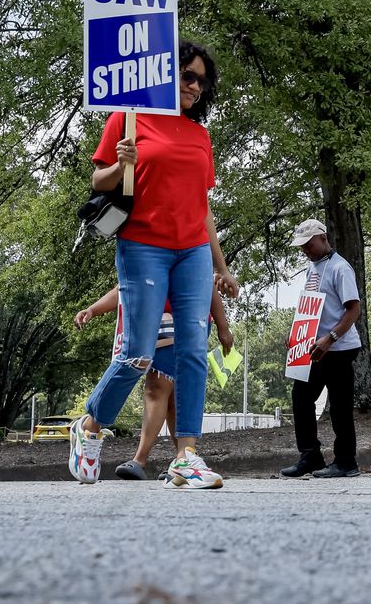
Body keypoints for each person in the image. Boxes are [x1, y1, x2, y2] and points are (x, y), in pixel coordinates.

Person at [69, 41, 239, 488]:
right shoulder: (129, 117)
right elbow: (98, 179)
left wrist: (220, 265)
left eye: (202, 80)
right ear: (165, 75)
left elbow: (202, 207)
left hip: (193, 253)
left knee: (192, 354)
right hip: (144, 244)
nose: (195, 86)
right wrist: (122, 162)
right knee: (139, 354)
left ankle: (186, 456)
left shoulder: (200, 136)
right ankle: (90, 427)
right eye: (188, 76)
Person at [74, 283, 234, 480]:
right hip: (158, 321)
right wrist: (93, 309)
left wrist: (223, 326)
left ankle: (175, 458)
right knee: (158, 386)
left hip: (193, 321)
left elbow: (207, 282)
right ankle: (161, 458)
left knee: (172, 393)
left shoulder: (194, 257)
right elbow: (125, 288)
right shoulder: (147, 257)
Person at [279, 218, 364, 479]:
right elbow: (309, 306)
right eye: (302, 246)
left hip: (339, 347)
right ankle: (311, 455)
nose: (306, 250)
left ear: (324, 239)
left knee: (339, 406)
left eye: (309, 244)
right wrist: (296, 333)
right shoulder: (311, 268)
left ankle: (346, 462)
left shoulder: (341, 268)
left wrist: (331, 337)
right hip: (314, 348)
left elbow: (354, 309)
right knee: (301, 398)